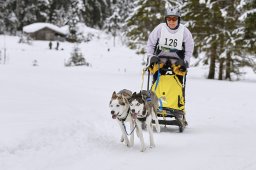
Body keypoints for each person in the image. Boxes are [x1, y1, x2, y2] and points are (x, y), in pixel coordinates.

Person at [146, 6, 194, 81]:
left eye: (174, 19)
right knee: (155, 70)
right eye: (169, 19)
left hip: (177, 60)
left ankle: (177, 91)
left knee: (179, 73)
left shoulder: (184, 31)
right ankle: (155, 89)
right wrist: (150, 56)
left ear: (178, 19)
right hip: (160, 58)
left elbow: (189, 47)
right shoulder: (160, 28)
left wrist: (186, 61)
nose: (171, 21)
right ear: (166, 19)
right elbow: (151, 43)